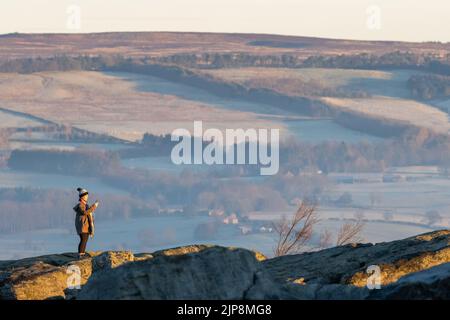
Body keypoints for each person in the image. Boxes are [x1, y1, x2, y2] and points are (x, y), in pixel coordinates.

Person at [73, 187, 99, 258]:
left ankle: (82, 254)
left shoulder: (85, 205)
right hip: (83, 226)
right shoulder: (81, 205)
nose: (87, 197)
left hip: (85, 226)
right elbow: (85, 213)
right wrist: (94, 206)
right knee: (83, 240)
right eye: (86, 196)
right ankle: (81, 254)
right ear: (82, 197)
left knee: (84, 240)